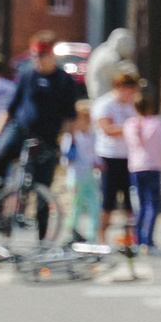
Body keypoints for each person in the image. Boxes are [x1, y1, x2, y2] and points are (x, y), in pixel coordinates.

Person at [0, 34, 85, 189]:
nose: (38, 60)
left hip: (47, 137)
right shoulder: (27, 75)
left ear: (52, 55)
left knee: (43, 180)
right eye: (35, 56)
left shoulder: (63, 80)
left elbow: (70, 115)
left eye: (42, 56)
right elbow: (12, 106)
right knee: (1, 156)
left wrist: (70, 141)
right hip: (22, 130)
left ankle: (40, 211)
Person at [91, 68, 140, 245]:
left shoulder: (133, 105)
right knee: (108, 201)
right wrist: (131, 127)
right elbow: (108, 129)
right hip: (109, 156)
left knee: (129, 201)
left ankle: (130, 238)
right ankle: (102, 239)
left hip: (129, 156)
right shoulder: (104, 104)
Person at [125, 85, 161, 249]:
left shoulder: (129, 125)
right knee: (152, 204)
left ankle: (138, 239)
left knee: (140, 204)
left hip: (135, 168)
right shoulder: (156, 124)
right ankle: (148, 240)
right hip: (153, 167)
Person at [61, 100, 102, 242]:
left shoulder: (93, 135)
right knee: (75, 206)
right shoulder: (71, 137)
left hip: (90, 175)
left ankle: (92, 237)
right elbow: (65, 159)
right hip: (76, 177)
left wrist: (98, 164)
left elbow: (96, 154)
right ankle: (72, 233)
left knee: (94, 206)